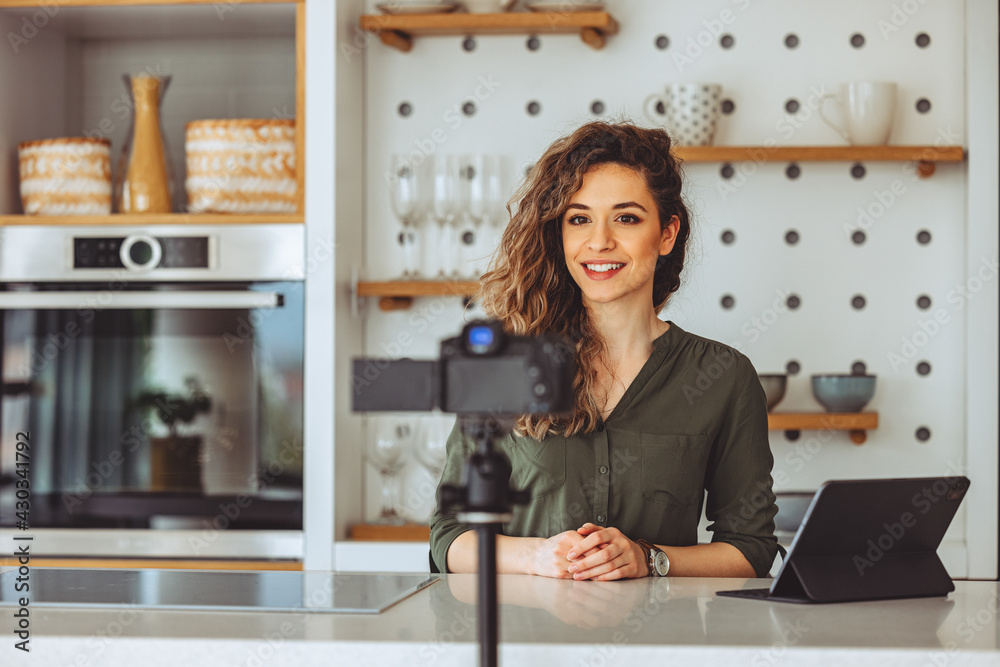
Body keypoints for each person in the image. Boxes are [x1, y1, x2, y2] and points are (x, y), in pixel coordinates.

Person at [429, 120, 778, 580]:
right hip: (526, 646)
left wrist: (650, 559)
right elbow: (449, 535)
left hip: (656, 647)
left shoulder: (722, 376)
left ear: (667, 233)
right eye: (579, 219)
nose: (599, 242)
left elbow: (751, 550)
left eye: (626, 218)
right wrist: (534, 557)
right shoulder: (505, 364)